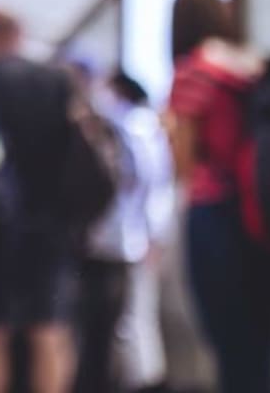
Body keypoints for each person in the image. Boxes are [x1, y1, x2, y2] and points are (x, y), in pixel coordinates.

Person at [164, 0, 270, 393]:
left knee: (231, 346)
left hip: (216, 215)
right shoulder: (251, 64)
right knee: (260, 349)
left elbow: (182, 165)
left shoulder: (193, 70)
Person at [0, 9, 77, 393]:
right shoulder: (56, 79)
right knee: (48, 331)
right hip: (53, 222)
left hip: (1, 224)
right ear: (20, 32)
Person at [74, 70, 175, 393]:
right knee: (128, 320)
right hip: (126, 237)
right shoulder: (139, 128)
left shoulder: (132, 127)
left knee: (131, 319)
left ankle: (146, 383)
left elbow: (149, 183)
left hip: (127, 238)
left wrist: (153, 232)